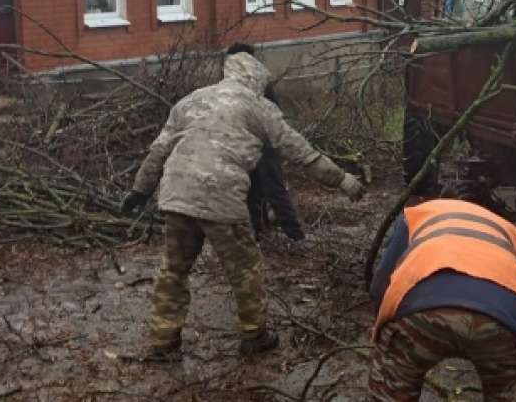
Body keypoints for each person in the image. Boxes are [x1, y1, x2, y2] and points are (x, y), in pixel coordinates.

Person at [121, 50, 365, 360]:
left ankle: (163, 342)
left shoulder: (190, 101)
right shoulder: (259, 107)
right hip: (221, 195)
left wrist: (139, 192)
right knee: (245, 270)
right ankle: (254, 335)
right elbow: (300, 151)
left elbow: (158, 152)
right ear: (258, 81)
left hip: (176, 194)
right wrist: (342, 179)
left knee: (173, 270)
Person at [368, 198, 516, 401]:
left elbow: (380, 286)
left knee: (391, 392)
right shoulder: (504, 229)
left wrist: (385, 334)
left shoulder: (415, 215)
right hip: (502, 323)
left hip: (421, 315)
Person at [226, 43, 304, 241]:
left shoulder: (255, 82)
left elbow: (271, 115)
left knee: (272, 190)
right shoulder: (256, 78)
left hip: (263, 144)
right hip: (252, 145)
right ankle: (260, 232)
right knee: (255, 191)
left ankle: (294, 235)